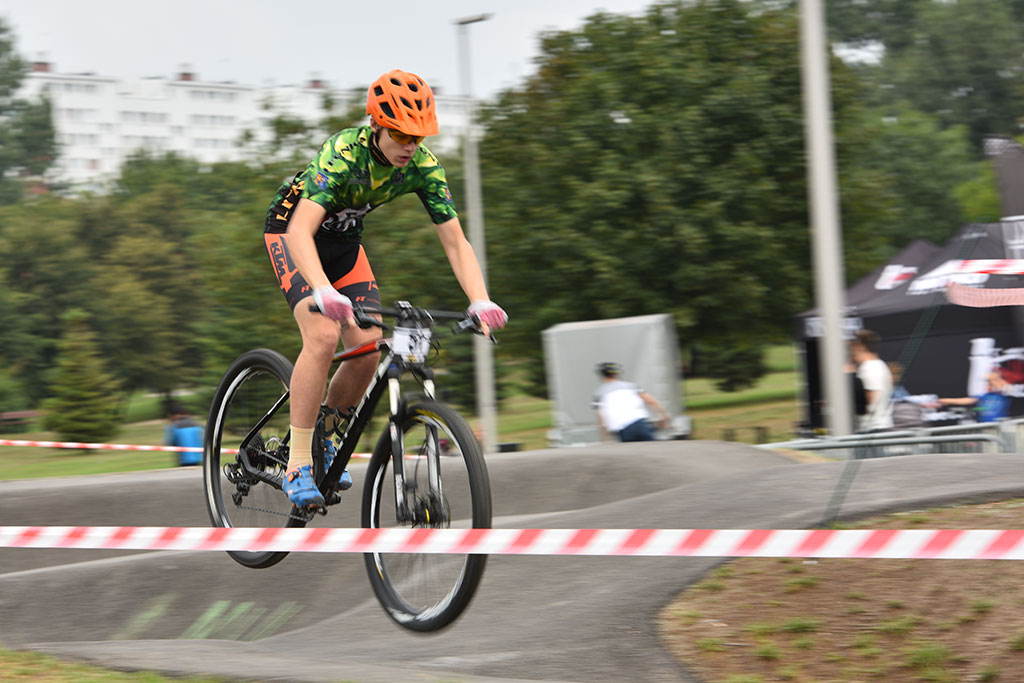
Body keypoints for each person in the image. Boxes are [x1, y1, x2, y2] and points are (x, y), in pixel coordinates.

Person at [263, 69, 507, 508]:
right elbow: (301, 230)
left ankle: (326, 435)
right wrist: (322, 289)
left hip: (342, 241)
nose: (409, 146)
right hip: (292, 231)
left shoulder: (423, 166)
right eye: (400, 135)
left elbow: (455, 240)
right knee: (321, 336)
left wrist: (480, 298)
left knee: (369, 348)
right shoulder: (342, 153)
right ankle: (297, 463)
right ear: (377, 125)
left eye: (418, 137)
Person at [591, 362, 671, 442]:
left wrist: (605, 438)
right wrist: (664, 416)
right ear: (617, 374)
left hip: (622, 430)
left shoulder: (599, 394)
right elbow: (651, 401)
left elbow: (601, 419)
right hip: (640, 424)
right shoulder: (631, 386)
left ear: (602, 376)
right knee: (653, 449)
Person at [849, 329, 894, 432]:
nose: (850, 351)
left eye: (852, 346)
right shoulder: (876, 365)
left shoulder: (870, 368)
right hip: (874, 427)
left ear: (861, 347)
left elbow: (870, 400)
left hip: (873, 429)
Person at [930, 371, 1011, 423]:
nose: (988, 384)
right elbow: (968, 400)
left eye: (990, 382)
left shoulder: (1003, 394)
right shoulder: (984, 395)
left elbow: (1005, 387)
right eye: (988, 382)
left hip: (1000, 425)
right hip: (985, 425)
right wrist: (946, 400)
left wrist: (993, 378)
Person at [164, 401, 202, 467]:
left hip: (184, 460)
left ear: (173, 415)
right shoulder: (196, 424)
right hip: (199, 459)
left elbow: (170, 442)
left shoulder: (174, 426)